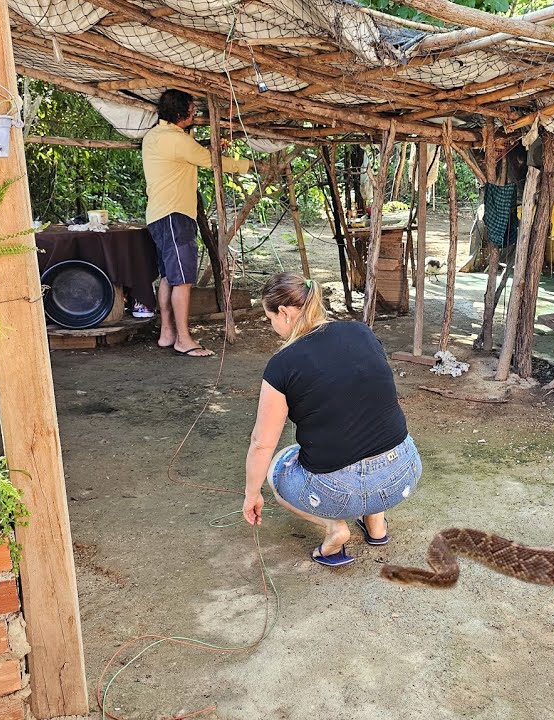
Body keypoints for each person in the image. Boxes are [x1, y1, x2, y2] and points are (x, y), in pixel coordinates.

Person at [242, 272, 422, 567]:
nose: (272, 326)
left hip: (341, 494)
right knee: (370, 432)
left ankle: (334, 529)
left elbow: (261, 443)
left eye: (270, 318)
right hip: (403, 475)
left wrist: (252, 495)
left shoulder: (282, 365)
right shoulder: (361, 332)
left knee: (280, 463)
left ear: (285, 313)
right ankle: (376, 525)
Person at [140, 89, 215, 357]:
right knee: (182, 280)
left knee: (168, 277)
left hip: (158, 215)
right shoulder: (177, 140)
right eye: (193, 111)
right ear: (182, 114)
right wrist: (250, 166)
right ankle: (183, 339)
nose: (195, 115)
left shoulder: (154, 136)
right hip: (176, 215)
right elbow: (211, 160)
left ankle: (167, 333)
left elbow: (190, 153)